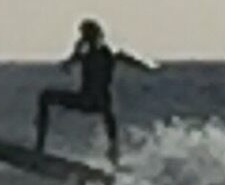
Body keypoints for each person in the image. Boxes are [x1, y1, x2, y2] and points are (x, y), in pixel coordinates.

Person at [36, 18, 155, 166]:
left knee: (107, 114)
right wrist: (74, 53)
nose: (83, 38)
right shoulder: (88, 54)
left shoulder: (104, 54)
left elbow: (123, 57)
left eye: (85, 35)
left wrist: (146, 67)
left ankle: (113, 157)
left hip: (95, 101)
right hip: (90, 100)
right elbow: (70, 62)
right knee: (45, 97)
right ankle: (39, 147)